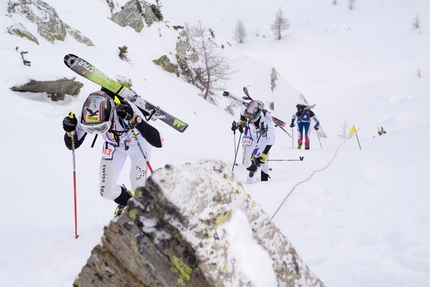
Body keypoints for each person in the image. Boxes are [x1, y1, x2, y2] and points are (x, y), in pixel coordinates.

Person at [62, 89, 163, 217]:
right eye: (92, 129)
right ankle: (127, 202)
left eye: (101, 128)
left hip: (139, 145)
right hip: (113, 145)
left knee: (139, 189)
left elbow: (159, 141)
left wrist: (133, 118)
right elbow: (72, 145)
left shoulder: (125, 108)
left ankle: (145, 215)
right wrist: (69, 131)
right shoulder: (85, 114)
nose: (98, 130)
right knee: (106, 191)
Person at [232, 100, 275, 182]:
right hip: (251, 135)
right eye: (248, 116)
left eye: (252, 117)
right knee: (245, 162)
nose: (250, 119)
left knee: (263, 160)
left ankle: (264, 179)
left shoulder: (267, 121)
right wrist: (239, 124)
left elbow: (270, 141)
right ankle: (253, 169)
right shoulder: (245, 111)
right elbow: (242, 113)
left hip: (263, 139)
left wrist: (263, 155)